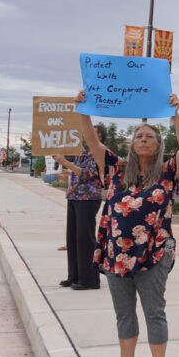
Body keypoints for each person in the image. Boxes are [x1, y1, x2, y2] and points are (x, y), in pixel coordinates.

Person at [76, 91, 179, 357]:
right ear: (131, 143)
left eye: (149, 137)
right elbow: (92, 141)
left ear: (157, 144)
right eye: (138, 136)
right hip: (117, 254)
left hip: (156, 252)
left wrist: (176, 115)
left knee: (154, 310)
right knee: (123, 312)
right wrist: (83, 110)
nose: (142, 140)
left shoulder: (168, 172)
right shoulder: (114, 169)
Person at [53, 123, 107, 290]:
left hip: (88, 199)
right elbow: (61, 155)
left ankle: (90, 279)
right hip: (74, 197)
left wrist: (64, 162)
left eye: (93, 134)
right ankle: (74, 275)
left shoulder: (100, 153)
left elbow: (85, 173)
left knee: (85, 239)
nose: (88, 136)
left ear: (100, 137)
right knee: (73, 238)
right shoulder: (82, 152)